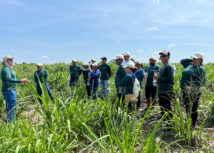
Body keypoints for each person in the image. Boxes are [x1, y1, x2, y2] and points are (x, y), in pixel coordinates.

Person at [1, 55, 30, 123]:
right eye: (10, 60)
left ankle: (11, 123)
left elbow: (10, 79)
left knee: (12, 107)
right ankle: (11, 124)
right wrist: (20, 80)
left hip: (10, 90)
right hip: (9, 90)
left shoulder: (8, 68)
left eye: (12, 60)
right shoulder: (6, 69)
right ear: (6, 61)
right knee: (12, 108)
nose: (12, 61)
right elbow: (8, 79)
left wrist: (20, 81)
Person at [180, 52, 206, 127]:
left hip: (194, 92)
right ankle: (189, 122)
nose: (193, 59)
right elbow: (182, 61)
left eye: (196, 58)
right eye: (193, 58)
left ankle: (192, 125)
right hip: (185, 91)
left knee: (193, 109)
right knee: (188, 107)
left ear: (201, 60)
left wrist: (192, 86)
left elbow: (203, 80)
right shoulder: (189, 65)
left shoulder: (200, 68)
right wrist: (193, 59)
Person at [154, 50, 174, 120]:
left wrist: (159, 78)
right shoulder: (163, 67)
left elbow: (170, 78)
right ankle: (164, 120)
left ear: (168, 57)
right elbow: (161, 79)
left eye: (164, 56)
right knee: (162, 107)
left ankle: (169, 122)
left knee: (167, 107)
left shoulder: (169, 66)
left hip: (167, 90)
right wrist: (157, 79)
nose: (162, 57)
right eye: (161, 56)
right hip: (161, 90)